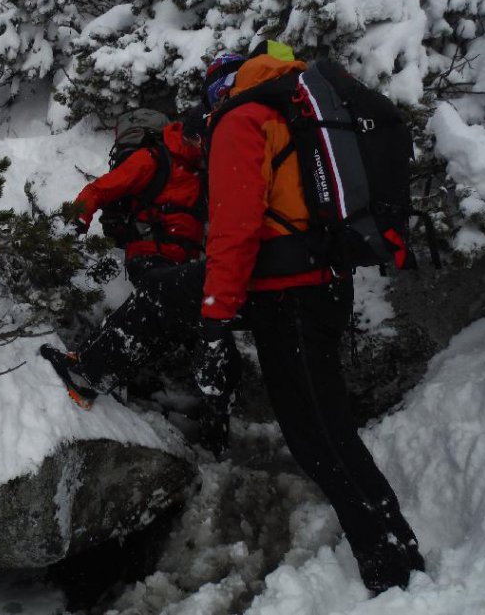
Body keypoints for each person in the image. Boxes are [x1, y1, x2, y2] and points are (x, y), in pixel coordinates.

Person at [42, 46, 425, 596]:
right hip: (310, 286)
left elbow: (235, 230)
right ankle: (97, 371)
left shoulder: (244, 117)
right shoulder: (291, 110)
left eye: (211, 92)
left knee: (319, 434)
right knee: (312, 426)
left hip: (287, 291)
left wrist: (216, 318)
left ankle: (394, 566)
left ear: (223, 88)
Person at [71, 110, 207, 286]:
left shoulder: (207, 171)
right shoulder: (154, 159)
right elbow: (98, 190)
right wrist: (72, 225)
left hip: (190, 264)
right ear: (197, 137)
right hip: (151, 258)